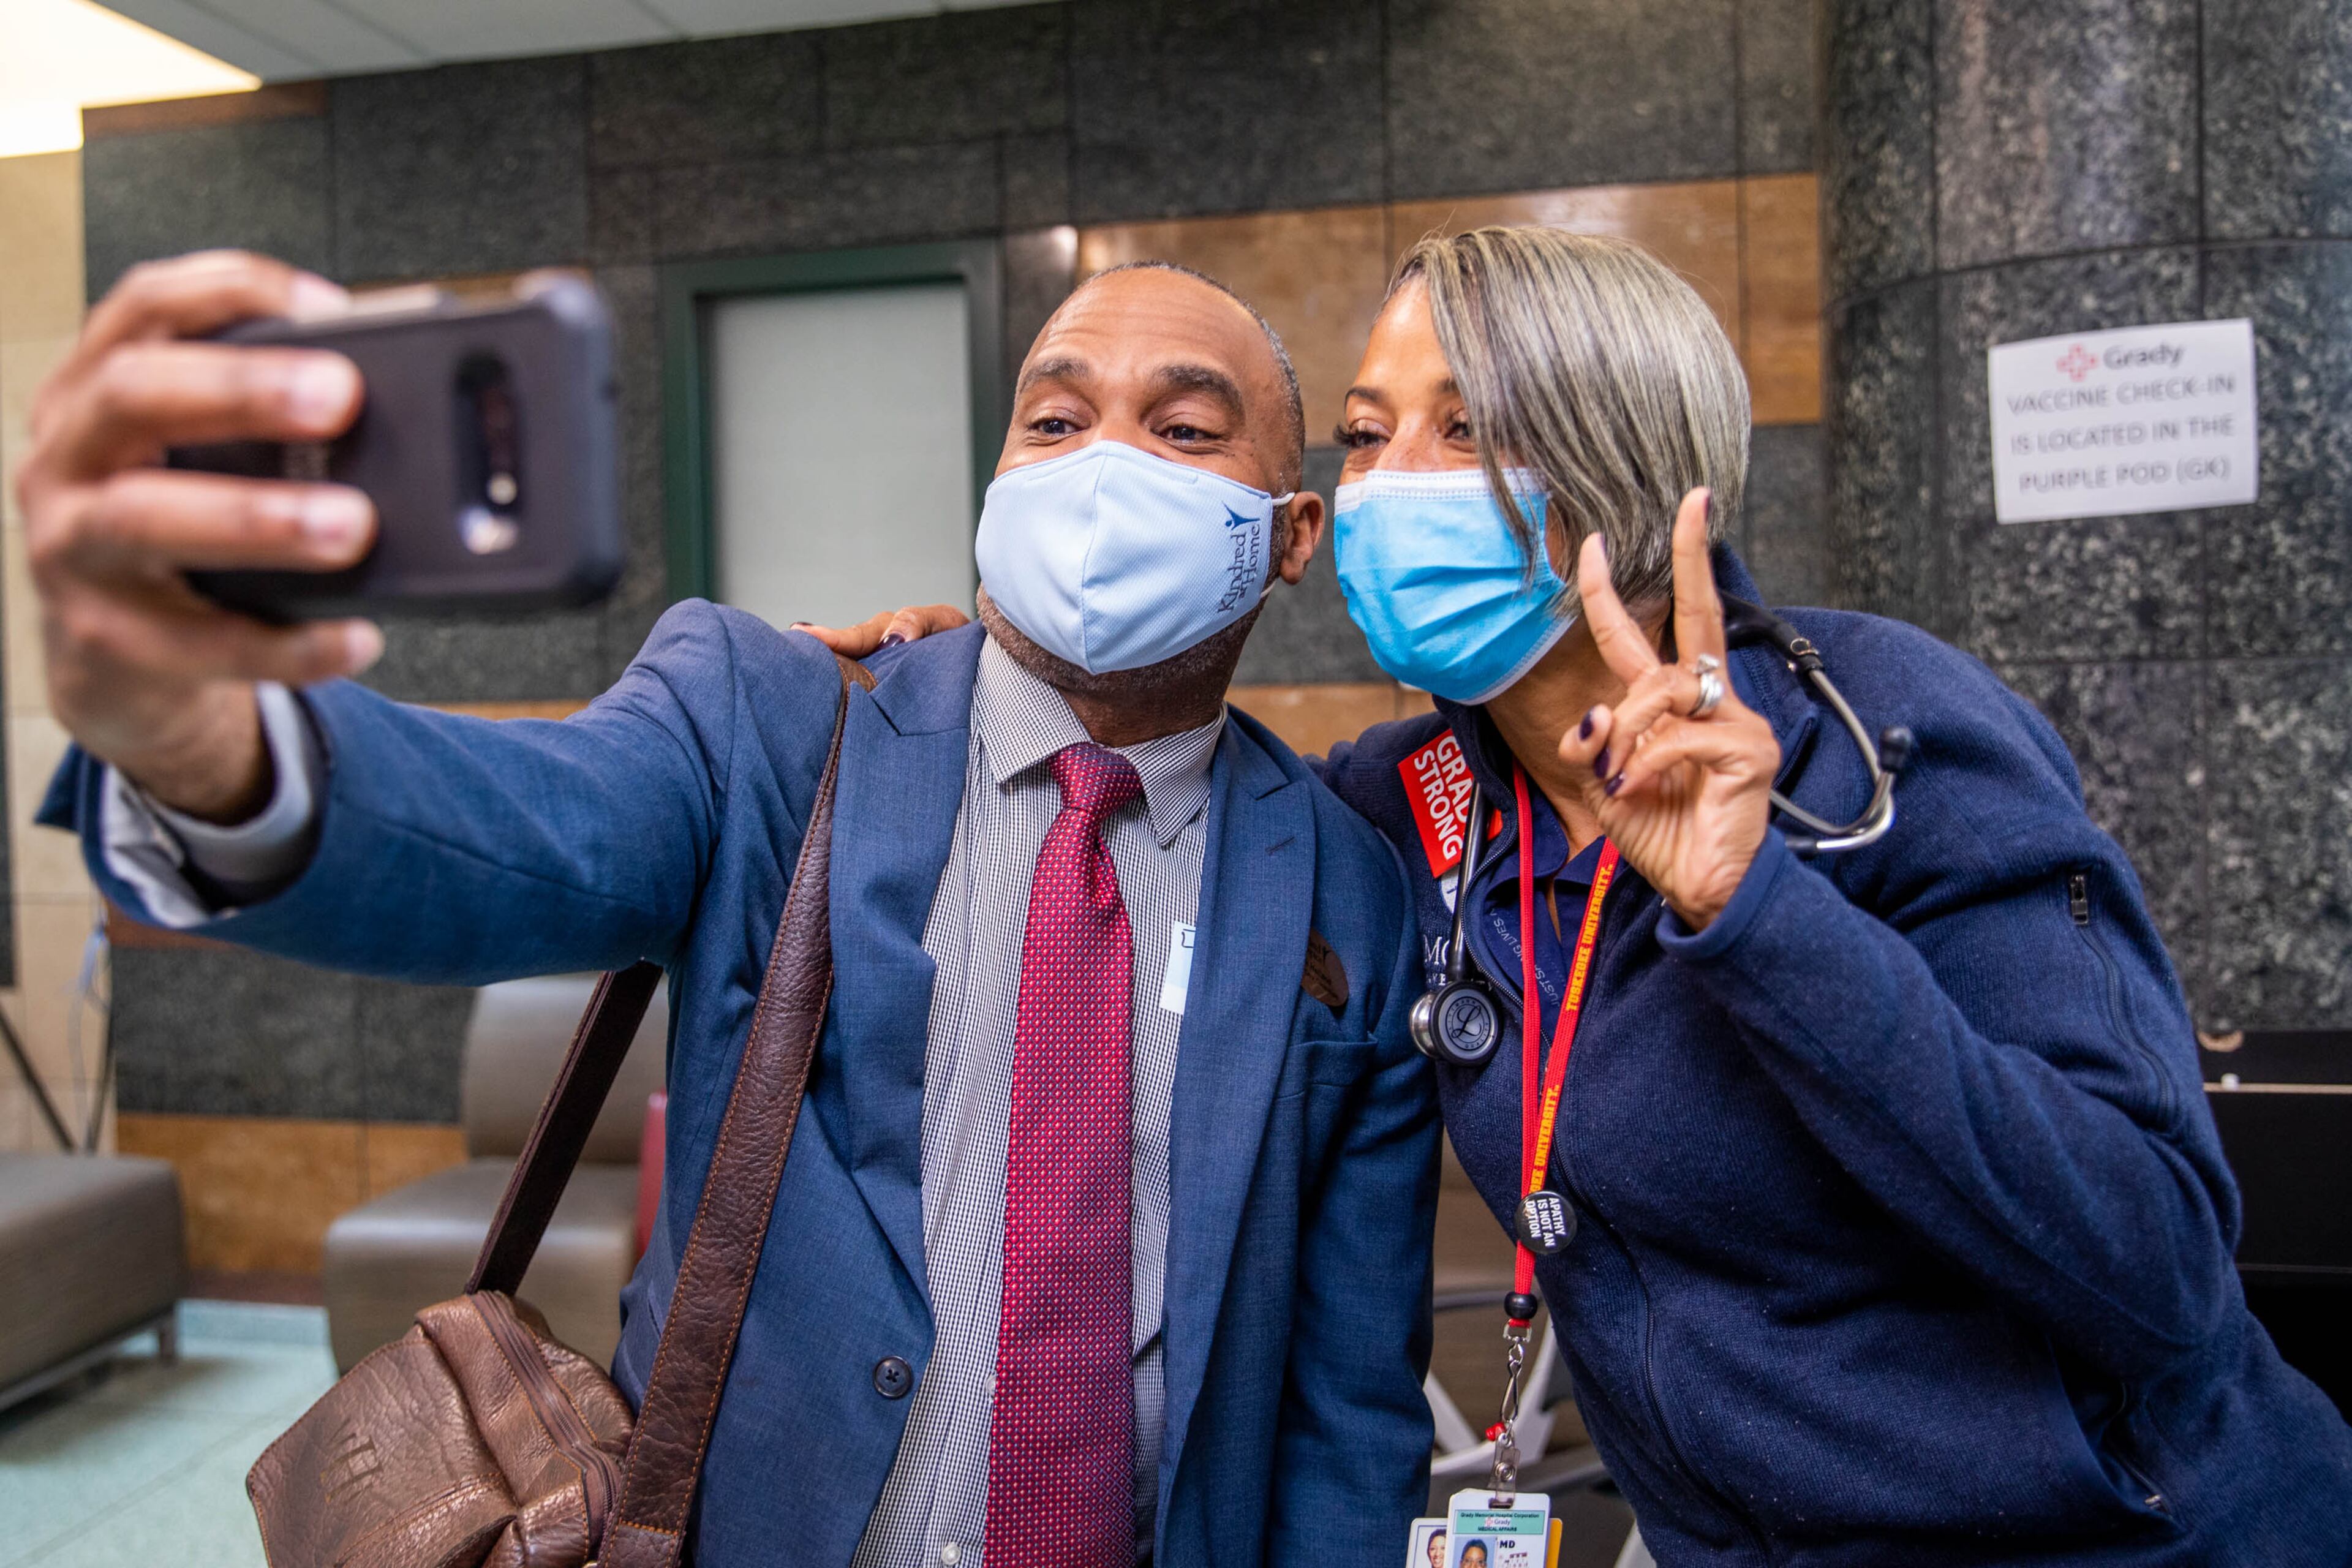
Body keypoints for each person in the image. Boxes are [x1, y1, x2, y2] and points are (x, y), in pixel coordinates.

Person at [826, 228, 2352, 1563]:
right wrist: (973, 682)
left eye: (1462, 429)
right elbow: (1172, 782)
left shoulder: (1880, 735)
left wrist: (1764, 916)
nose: (1387, 488)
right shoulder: (1413, 806)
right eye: (1364, 438)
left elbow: (2154, 1265)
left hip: (2128, 1537)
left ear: (1614, 460)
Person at [15, 251, 1441, 1567]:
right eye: (1055, 424)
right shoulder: (771, 724)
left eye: (1185, 431)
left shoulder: (1342, 884)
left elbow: (1346, 1401)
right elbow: (509, 823)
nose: (1105, 470)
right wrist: (210, 744)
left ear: (1292, 529)